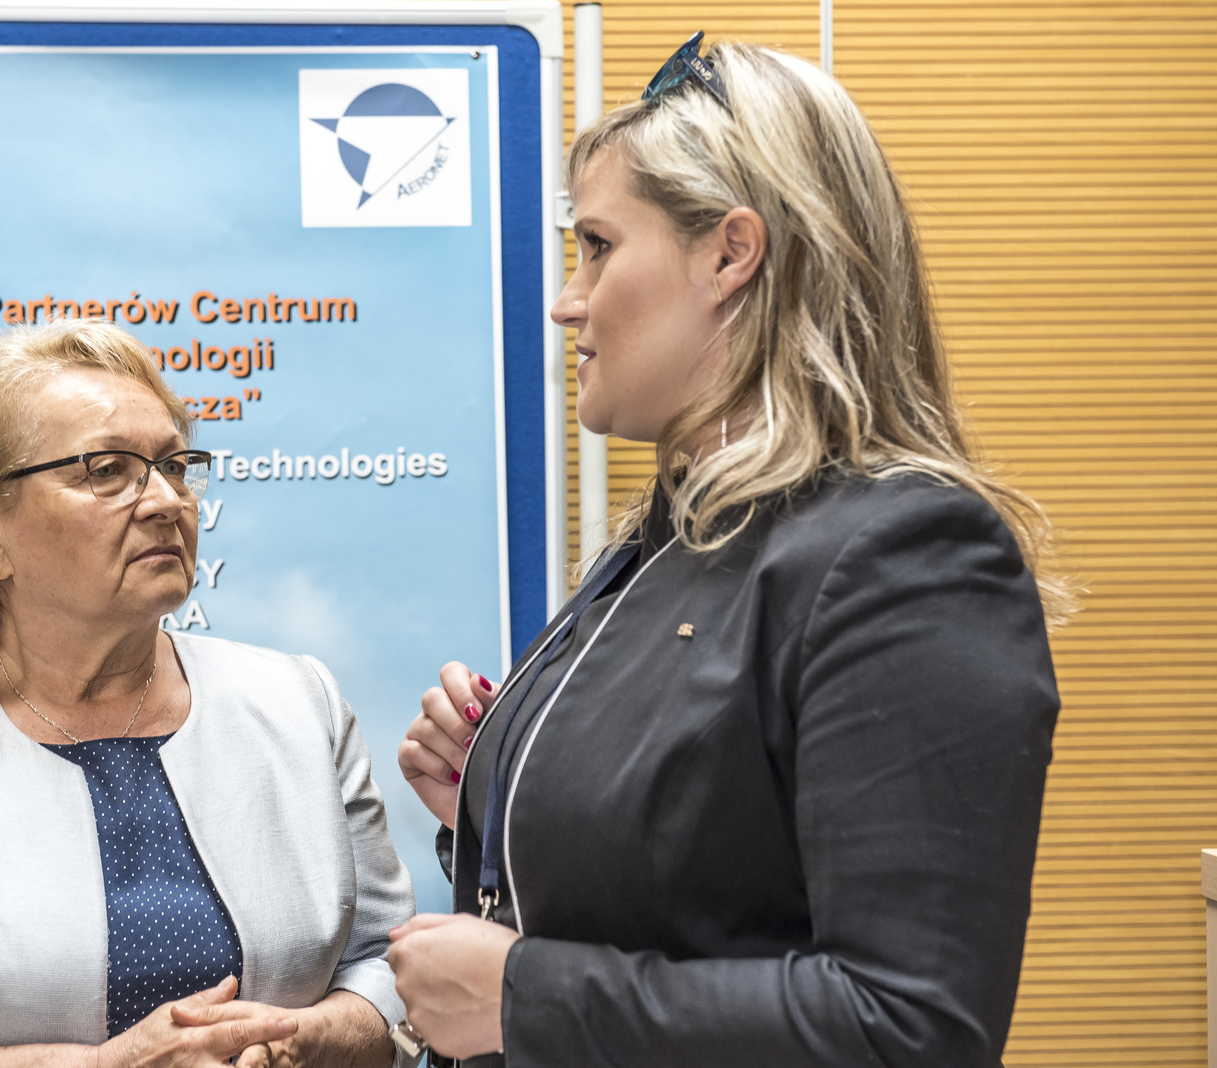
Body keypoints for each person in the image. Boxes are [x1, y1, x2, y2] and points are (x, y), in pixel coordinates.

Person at [389, 35, 1071, 1068]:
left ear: (729, 254)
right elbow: (698, 881)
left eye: (598, 246)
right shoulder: (673, 534)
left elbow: (907, 1029)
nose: (567, 299)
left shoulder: (904, 555)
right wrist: (508, 794)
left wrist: (524, 997)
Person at [0, 319, 413, 1068]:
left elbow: (393, 968)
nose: (166, 500)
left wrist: (306, 1041)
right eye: (107, 470)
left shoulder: (299, 703)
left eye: (176, 465)